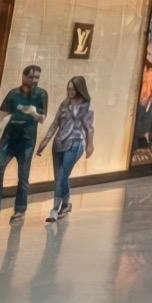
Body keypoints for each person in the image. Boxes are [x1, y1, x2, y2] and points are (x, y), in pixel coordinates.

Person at [0, 65, 47, 225]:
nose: (34, 80)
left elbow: (42, 118)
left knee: (23, 176)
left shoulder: (41, 94)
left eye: (37, 77)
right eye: (31, 77)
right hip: (9, 138)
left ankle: (20, 210)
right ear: (23, 77)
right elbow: (2, 114)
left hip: (27, 140)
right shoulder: (13, 93)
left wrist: (33, 112)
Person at [38, 75, 94, 223]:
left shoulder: (84, 106)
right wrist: (44, 142)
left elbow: (89, 128)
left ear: (79, 89)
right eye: (68, 89)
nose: (69, 92)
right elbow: (55, 123)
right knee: (60, 178)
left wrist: (90, 145)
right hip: (58, 145)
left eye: (72, 89)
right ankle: (66, 204)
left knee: (62, 176)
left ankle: (54, 209)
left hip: (75, 145)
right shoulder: (64, 104)